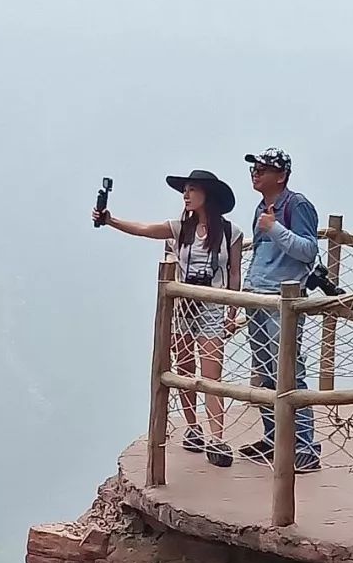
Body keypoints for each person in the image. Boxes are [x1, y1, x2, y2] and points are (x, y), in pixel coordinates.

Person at [93, 169, 243, 468]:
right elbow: (144, 229)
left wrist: (232, 311)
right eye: (185, 190)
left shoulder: (231, 233)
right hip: (183, 304)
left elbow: (235, 272)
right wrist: (110, 220)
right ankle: (193, 428)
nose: (186, 195)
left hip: (213, 304)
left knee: (212, 372)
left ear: (207, 195)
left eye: (192, 190)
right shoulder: (179, 229)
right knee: (185, 367)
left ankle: (217, 437)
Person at [240, 148, 321, 472]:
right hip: (257, 296)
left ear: (281, 175)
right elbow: (261, 252)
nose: (256, 173)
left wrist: (274, 228)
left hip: (283, 299)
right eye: (254, 168)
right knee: (264, 373)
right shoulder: (262, 207)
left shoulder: (296, 204)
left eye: (263, 168)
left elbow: (308, 250)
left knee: (289, 371)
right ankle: (273, 439)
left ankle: (304, 447)